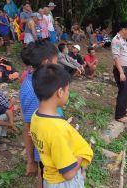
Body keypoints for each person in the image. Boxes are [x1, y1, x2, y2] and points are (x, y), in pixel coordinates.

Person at [30, 64, 93, 187]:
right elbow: (68, 174)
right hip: (64, 183)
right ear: (60, 92)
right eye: (67, 90)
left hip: (49, 179)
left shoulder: (36, 116)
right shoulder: (58, 130)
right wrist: (81, 155)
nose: (68, 93)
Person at [19, 41, 62, 186]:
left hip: (52, 139)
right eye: (56, 61)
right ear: (46, 62)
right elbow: (28, 127)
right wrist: (31, 160)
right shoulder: (33, 90)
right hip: (46, 150)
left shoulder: (40, 81)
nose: (58, 65)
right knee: (46, 178)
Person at [111, 21, 127, 123]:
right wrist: (121, 72)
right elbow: (116, 58)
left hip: (126, 69)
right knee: (123, 92)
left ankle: (123, 111)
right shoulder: (116, 40)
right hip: (121, 70)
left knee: (125, 92)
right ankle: (119, 116)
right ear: (123, 30)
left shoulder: (123, 40)